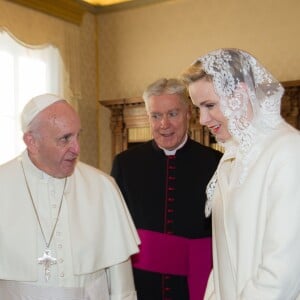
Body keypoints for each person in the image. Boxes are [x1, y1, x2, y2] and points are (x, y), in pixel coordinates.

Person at [181, 48, 300, 299]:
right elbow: (222, 258)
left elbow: (284, 271)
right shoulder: (229, 160)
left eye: (209, 105)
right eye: (198, 108)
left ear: (241, 94)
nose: (202, 119)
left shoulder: (289, 151)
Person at [0, 93, 140, 300]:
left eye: (77, 136)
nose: (76, 148)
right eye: (65, 138)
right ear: (32, 141)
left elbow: (122, 284)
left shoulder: (102, 187)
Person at [110, 78, 222, 300]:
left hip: (198, 281)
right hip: (142, 283)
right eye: (156, 116)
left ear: (188, 114)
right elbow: (114, 228)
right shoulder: (125, 163)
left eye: (172, 114)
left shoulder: (217, 163)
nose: (164, 124)